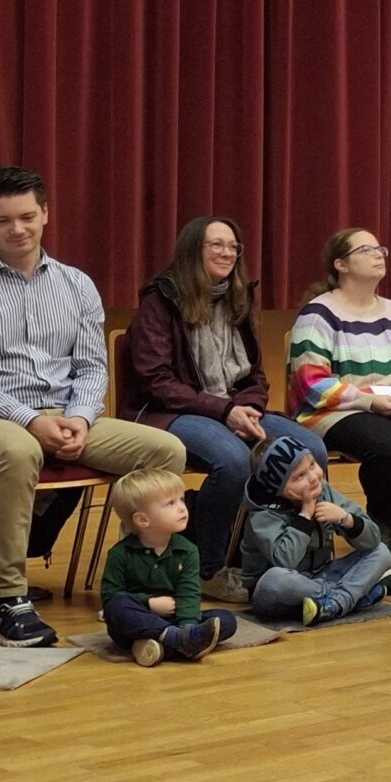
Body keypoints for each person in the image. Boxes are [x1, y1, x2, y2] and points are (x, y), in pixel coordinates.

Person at [0, 165, 190, 648]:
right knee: (19, 450)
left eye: (27, 217)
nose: (17, 229)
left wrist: (81, 418)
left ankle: (134, 581)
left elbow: (91, 366)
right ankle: (6, 599)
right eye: (3, 220)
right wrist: (29, 420)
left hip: (68, 414)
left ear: (46, 213)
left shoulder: (76, 284)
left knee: (165, 451)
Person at [123, 215, 315, 582]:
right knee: (233, 461)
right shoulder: (161, 299)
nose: (227, 253)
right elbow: (156, 380)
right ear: (193, 250)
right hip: (170, 410)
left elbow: (255, 374)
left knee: (308, 449)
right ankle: (210, 567)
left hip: (232, 405)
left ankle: (282, 555)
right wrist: (225, 410)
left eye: (233, 247)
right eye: (216, 245)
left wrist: (250, 407)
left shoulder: (238, 297)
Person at [288, 226, 391, 551]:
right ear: (341, 264)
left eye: (380, 249)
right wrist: (370, 402)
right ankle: (381, 535)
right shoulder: (318, 314)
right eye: (366, 250)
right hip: (335, 411)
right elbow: (311, 382)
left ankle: (381, 523)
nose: (378, 255)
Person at [240, 437, 391, 627]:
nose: (312, 477)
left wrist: (345, 519)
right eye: (299, 477)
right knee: (274, 580)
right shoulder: (262, 514)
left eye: (312, 465)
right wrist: (305, 516)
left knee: (381, 552)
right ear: (278, 489)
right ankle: (348, 598)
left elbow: (372, 539)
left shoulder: (322, 491)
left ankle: (333, 604)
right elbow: (284, 560)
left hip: (322, 573)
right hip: (281, 593)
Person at [97, 468, 234, 664]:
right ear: (143, 519)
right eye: (170, 503)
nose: (182, 508)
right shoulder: (120, 553)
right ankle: (176, 641)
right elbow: (110, 596)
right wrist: (148, 603)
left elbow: (189, 592)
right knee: (116, 606)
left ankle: (168, 642)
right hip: (136, 621)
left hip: (175, 618)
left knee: (226, 619)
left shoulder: (188, 550)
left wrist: (188, 626)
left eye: (181, 499)